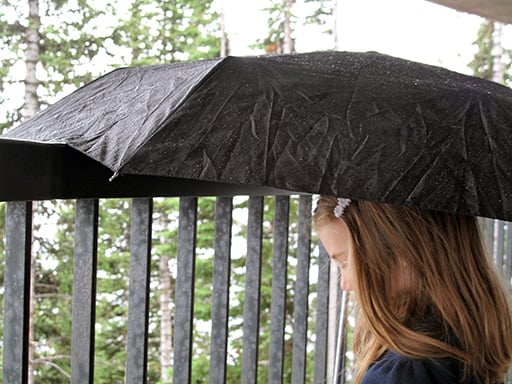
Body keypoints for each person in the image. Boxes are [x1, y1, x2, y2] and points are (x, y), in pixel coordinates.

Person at [314, 196, 512, 384]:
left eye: (346, 262)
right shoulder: (463, 346)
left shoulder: (403, 372)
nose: (345, 284)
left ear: (401, 246)